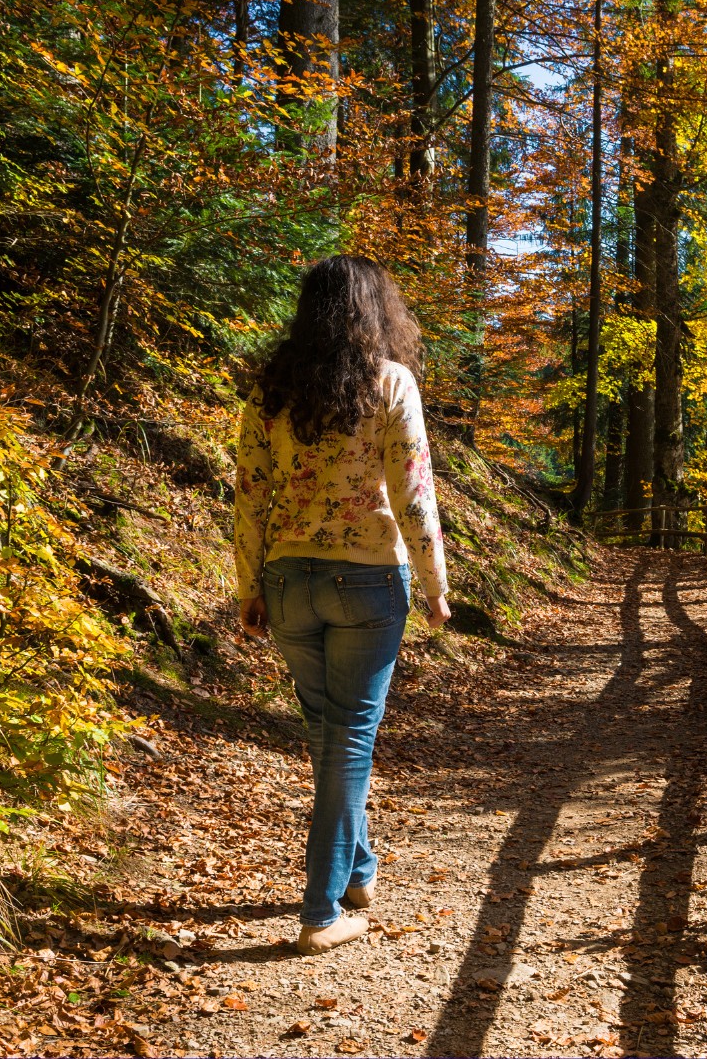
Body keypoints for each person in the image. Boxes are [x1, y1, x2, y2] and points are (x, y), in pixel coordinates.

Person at [233, 255, 450, 956]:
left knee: (331, 736)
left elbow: (248, 491)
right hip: (366, 583)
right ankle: (322, 912)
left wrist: (248, 585)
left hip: (290, 581)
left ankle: (357, 873)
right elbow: (414, 490)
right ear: (375, 312)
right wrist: (437, 582)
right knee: (349, 738)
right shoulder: (391, 382)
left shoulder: (272, 389)